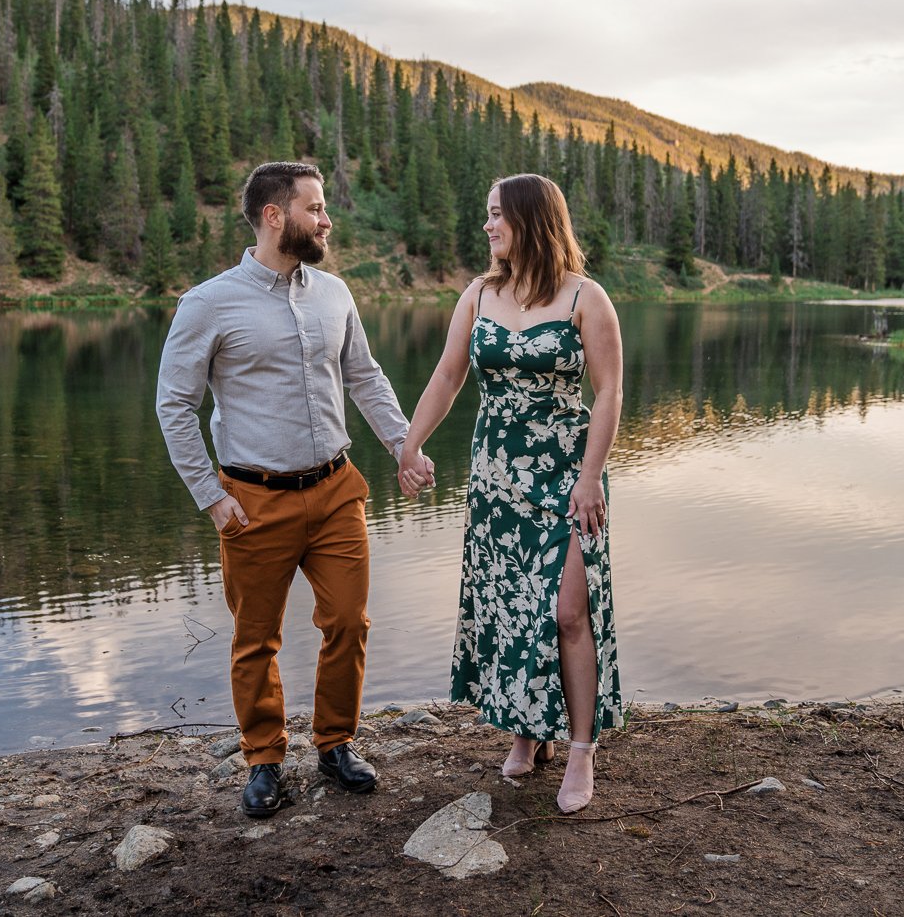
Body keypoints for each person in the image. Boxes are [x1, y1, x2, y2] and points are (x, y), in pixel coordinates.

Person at [156, 161, 427, 819]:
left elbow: (365, 376)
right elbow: (174, 404)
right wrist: (211, 496)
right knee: (256, 638)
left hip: (336, 489)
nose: (326, 219)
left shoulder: (334, 293)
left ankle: (335, 743)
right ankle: (265, 759)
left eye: (324, 207)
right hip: (253, 501)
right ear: (275, 215)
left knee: (349, 620)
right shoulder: (209, 303)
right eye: (315, 207)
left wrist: (404, 445)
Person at [397, 173, 624, 814]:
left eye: (497, 215)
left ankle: (580, 749)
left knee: (567, 612)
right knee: (511, 607)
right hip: (497, 476)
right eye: (487, 214)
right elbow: (447, 374)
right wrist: (411, 446)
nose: (489, 226)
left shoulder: (586, 297)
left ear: (530, 219)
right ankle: (528, 731)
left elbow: (609, 392)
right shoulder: (479, 293)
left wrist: (588, 478)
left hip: (569, 475)